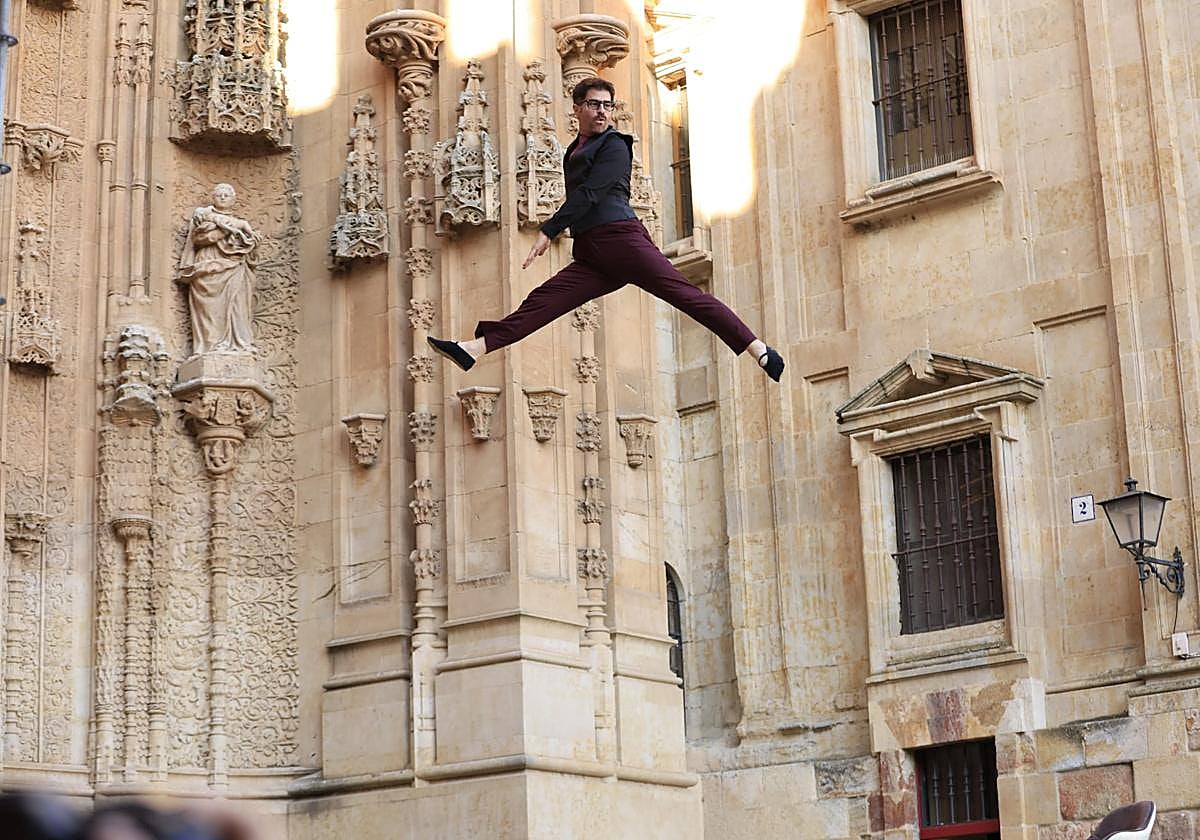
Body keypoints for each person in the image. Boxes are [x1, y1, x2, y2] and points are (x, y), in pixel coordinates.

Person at [428, 77, 785, 382]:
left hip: (621, 242)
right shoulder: (574, 150)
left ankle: (757, 348)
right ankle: (473, 348)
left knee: (685, 295)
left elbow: (591, 192)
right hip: (593, 253)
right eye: (594, 104)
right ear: (577, 108)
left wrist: (549, 229)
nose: (602, 111)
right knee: (544, 300)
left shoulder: (616, 145)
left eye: (607, 106)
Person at [176, 183, 259, 356]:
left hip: (234, 265)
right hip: (208, 263)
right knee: (209, 308)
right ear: (213, 198)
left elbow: (250, 246)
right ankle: (211, 345)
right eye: (219, 195)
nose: (222, 197)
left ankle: (238, 342)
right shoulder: (203, 215)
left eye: (226, 195)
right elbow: (198, 239)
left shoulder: (240, 223)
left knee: (237, 304)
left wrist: (251, 241)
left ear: (233, 200)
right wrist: (224, 231)